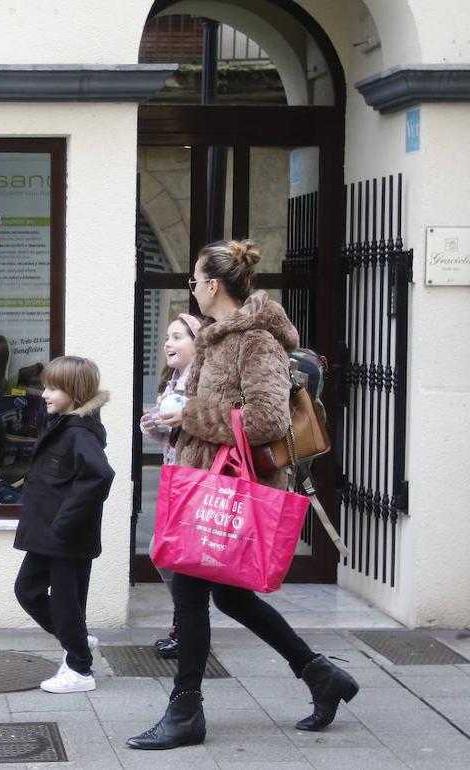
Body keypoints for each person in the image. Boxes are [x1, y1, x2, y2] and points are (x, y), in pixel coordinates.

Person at [128, 240, 358, 750]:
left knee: (190, 595)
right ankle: (321, 675)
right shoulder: (213, 339)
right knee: (229, 595)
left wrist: (188, 416)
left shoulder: (257, 341)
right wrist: (175, 416)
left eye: (194, 280)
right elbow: (214, 409)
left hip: (228, 487)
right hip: (205, 484)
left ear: (213, 285)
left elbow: (267, 419)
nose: (191, 287)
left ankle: (185, 709)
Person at [13, 355, 115, 694]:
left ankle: (80, 669)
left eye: (53, 388)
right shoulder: (61, 424)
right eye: (45, 386)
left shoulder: (79, 432)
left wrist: (65, 522)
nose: (44, 394)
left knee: (66, 601)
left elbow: (99, 476)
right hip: (49, 533)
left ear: (75, 392)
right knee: (27, 590)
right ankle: (78, 641)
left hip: (65, 536)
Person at [138, 313, 202, 659]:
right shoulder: (174, 381)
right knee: (169, 555)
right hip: (174, 479)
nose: (168, 344)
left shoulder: (203, 385)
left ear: (197, 343)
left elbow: (210, 427)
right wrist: (155, 424)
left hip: (194, 482)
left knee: (166, 553)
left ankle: (186, 628)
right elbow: (175, 431)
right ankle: (186, 627)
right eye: (167, 337)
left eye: (177, 337)